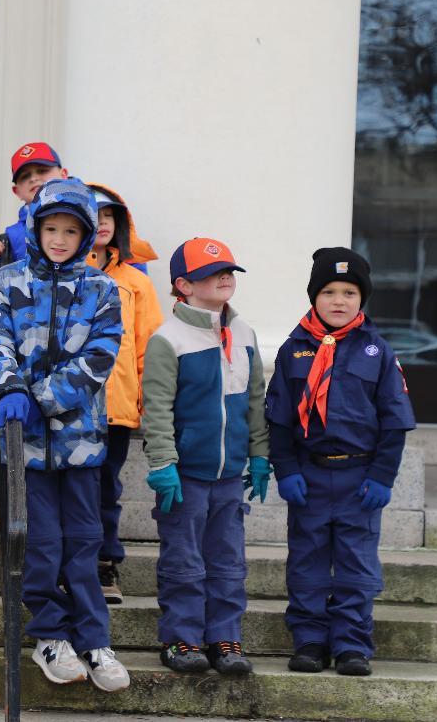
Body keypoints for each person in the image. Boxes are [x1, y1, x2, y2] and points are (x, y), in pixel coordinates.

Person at [0, 177, 129, 692]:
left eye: (70, 231)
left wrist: (41, 399)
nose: (59, 239)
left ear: (86, 238)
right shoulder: (7, 282)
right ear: (35, 229)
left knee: (84, 542)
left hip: (81, 441)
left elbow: (100, 357)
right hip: (26, 445)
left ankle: (94, 638)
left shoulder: (103, 290)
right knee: (40, 543)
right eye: (50, 228)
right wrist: (10, 389)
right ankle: (50, 635)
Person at [265, 247, 414, 677]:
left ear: (361, 298)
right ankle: (310, 640)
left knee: (356, 564)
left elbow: (395, 420)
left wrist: (383, 476)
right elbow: (278, 417)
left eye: (349, 292)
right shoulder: (293, 350)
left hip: (359, 477)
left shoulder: (378, 351)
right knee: (307, 562)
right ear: (314, 296)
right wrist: (287, 469)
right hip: (309, 475)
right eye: (328, 291)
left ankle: (351, 643)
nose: (338, 301)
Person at [140, 237, 270, 675]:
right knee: (184, 562)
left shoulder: (246, 333)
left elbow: (255, 400)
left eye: (229, 271)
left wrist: (259, 455)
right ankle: (182, 639)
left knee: (228, 562)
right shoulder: (168, 338)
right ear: (184, 285)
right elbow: (156, 408)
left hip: (230, 476)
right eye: (212, 273)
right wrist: (162, 464)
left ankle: (224, 638)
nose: (225, 278)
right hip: (186, 477)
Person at [85, 183, 163, 604]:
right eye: (91, 215)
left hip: (115, 406)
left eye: (108, 216)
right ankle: (67, 562)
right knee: (66, 488)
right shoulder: (62, 273)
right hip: (69, 407)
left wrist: (148, 404)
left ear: (120, 225)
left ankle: (103, 563)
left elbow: (148, 344)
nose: (100, 223)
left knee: (104, 488)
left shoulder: (136, 282)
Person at [0, 142, 68, 303]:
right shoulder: (12, 238)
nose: (34, 178)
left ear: (63, 175)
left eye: (42, 170)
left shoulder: (91, 218)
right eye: (25, 176)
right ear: (16, 191)